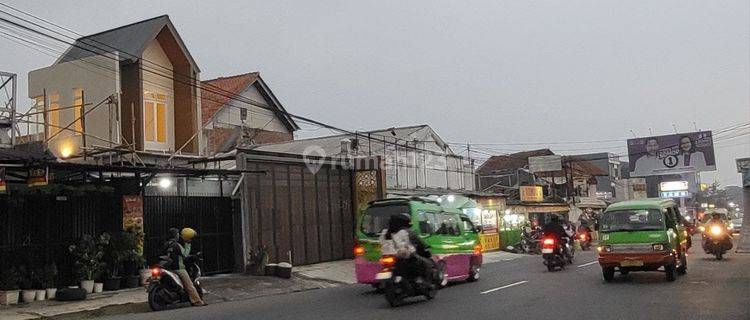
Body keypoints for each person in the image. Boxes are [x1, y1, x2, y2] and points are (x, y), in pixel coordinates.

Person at [383, 213, 433, 281]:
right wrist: (425, 247)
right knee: (426, 263)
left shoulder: (385, 233)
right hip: (406, 257)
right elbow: (419, 242)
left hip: (390, 257)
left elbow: (383, 244)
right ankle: (420, 280)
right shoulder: (408, 232)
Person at [173, 228, 206, 306]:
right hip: (178, 267)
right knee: (189, 285)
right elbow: (185, 254)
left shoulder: (169, 243)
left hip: (169, 267)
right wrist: (188, 245)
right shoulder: (177, 245)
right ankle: (197, 301)